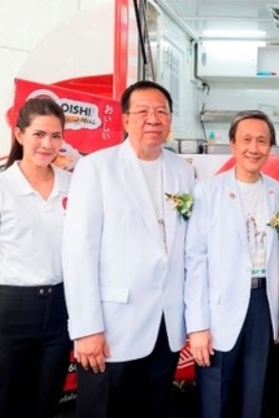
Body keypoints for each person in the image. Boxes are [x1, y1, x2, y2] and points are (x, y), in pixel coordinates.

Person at [62, 80, 195, 418]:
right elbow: (79, 252)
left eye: (162, 112)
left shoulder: (182, 171)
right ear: (125, 119)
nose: (153, 119)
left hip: (165, 325)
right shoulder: (97, 168)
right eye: (143, 111)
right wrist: (87, 328)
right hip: (112, 327)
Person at [0, 97, 72, 418]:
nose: (47, 144)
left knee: (45, 409)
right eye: (39, 134)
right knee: (5, 410)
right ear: (19, 134)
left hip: (60, 311)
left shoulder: (74, 184)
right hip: (12, 312)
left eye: (55, 136)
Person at [184, 110, 279, 418]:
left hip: (262, 305)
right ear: (232, 144)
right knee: (216, 397)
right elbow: (195, 261)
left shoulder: (277, 193)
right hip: (219, 308)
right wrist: (198, 326)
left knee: (254, 395)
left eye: (262, 141)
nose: (254, 148)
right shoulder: (208, 192)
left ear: (270, 147)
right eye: (246, 140)